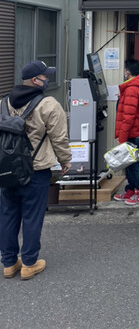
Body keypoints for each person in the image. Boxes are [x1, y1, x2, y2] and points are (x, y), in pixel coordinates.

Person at [0, 60, 71, 280]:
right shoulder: (48, 104)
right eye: (45, 76)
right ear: (35, 80)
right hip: (35, 169)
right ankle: (29, 263)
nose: (47, 79)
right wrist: (65, 160)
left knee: (8, 215)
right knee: (32, 217)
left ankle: (9, 263)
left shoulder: (3, 103)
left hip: (7, 170)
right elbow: (59, 137)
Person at [113, 59, 139, 205]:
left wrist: (122, 138)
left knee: (132, 163)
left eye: (124, 69)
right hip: (138, 131)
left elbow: (128, 117)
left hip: (133, 133)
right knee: (129, 162)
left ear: (127, 72)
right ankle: (131, 189)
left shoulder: (131, 89)